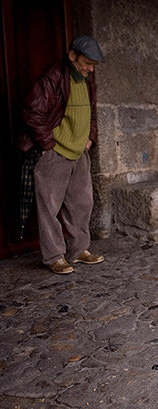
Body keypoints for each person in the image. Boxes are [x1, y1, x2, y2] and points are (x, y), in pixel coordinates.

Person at [17, 35, 106, 274]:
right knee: (49, 206)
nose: (90, 69)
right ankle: (54, 256)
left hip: (79, 151)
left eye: (93, 65)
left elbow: (93, 112)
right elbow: (32, 112)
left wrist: (90, 138)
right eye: (86, 63)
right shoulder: (52, 78)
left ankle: (78, 251)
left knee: (82, 203)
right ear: (72, 56)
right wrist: (49, 144)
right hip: (56, 152)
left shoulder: (87, 81)